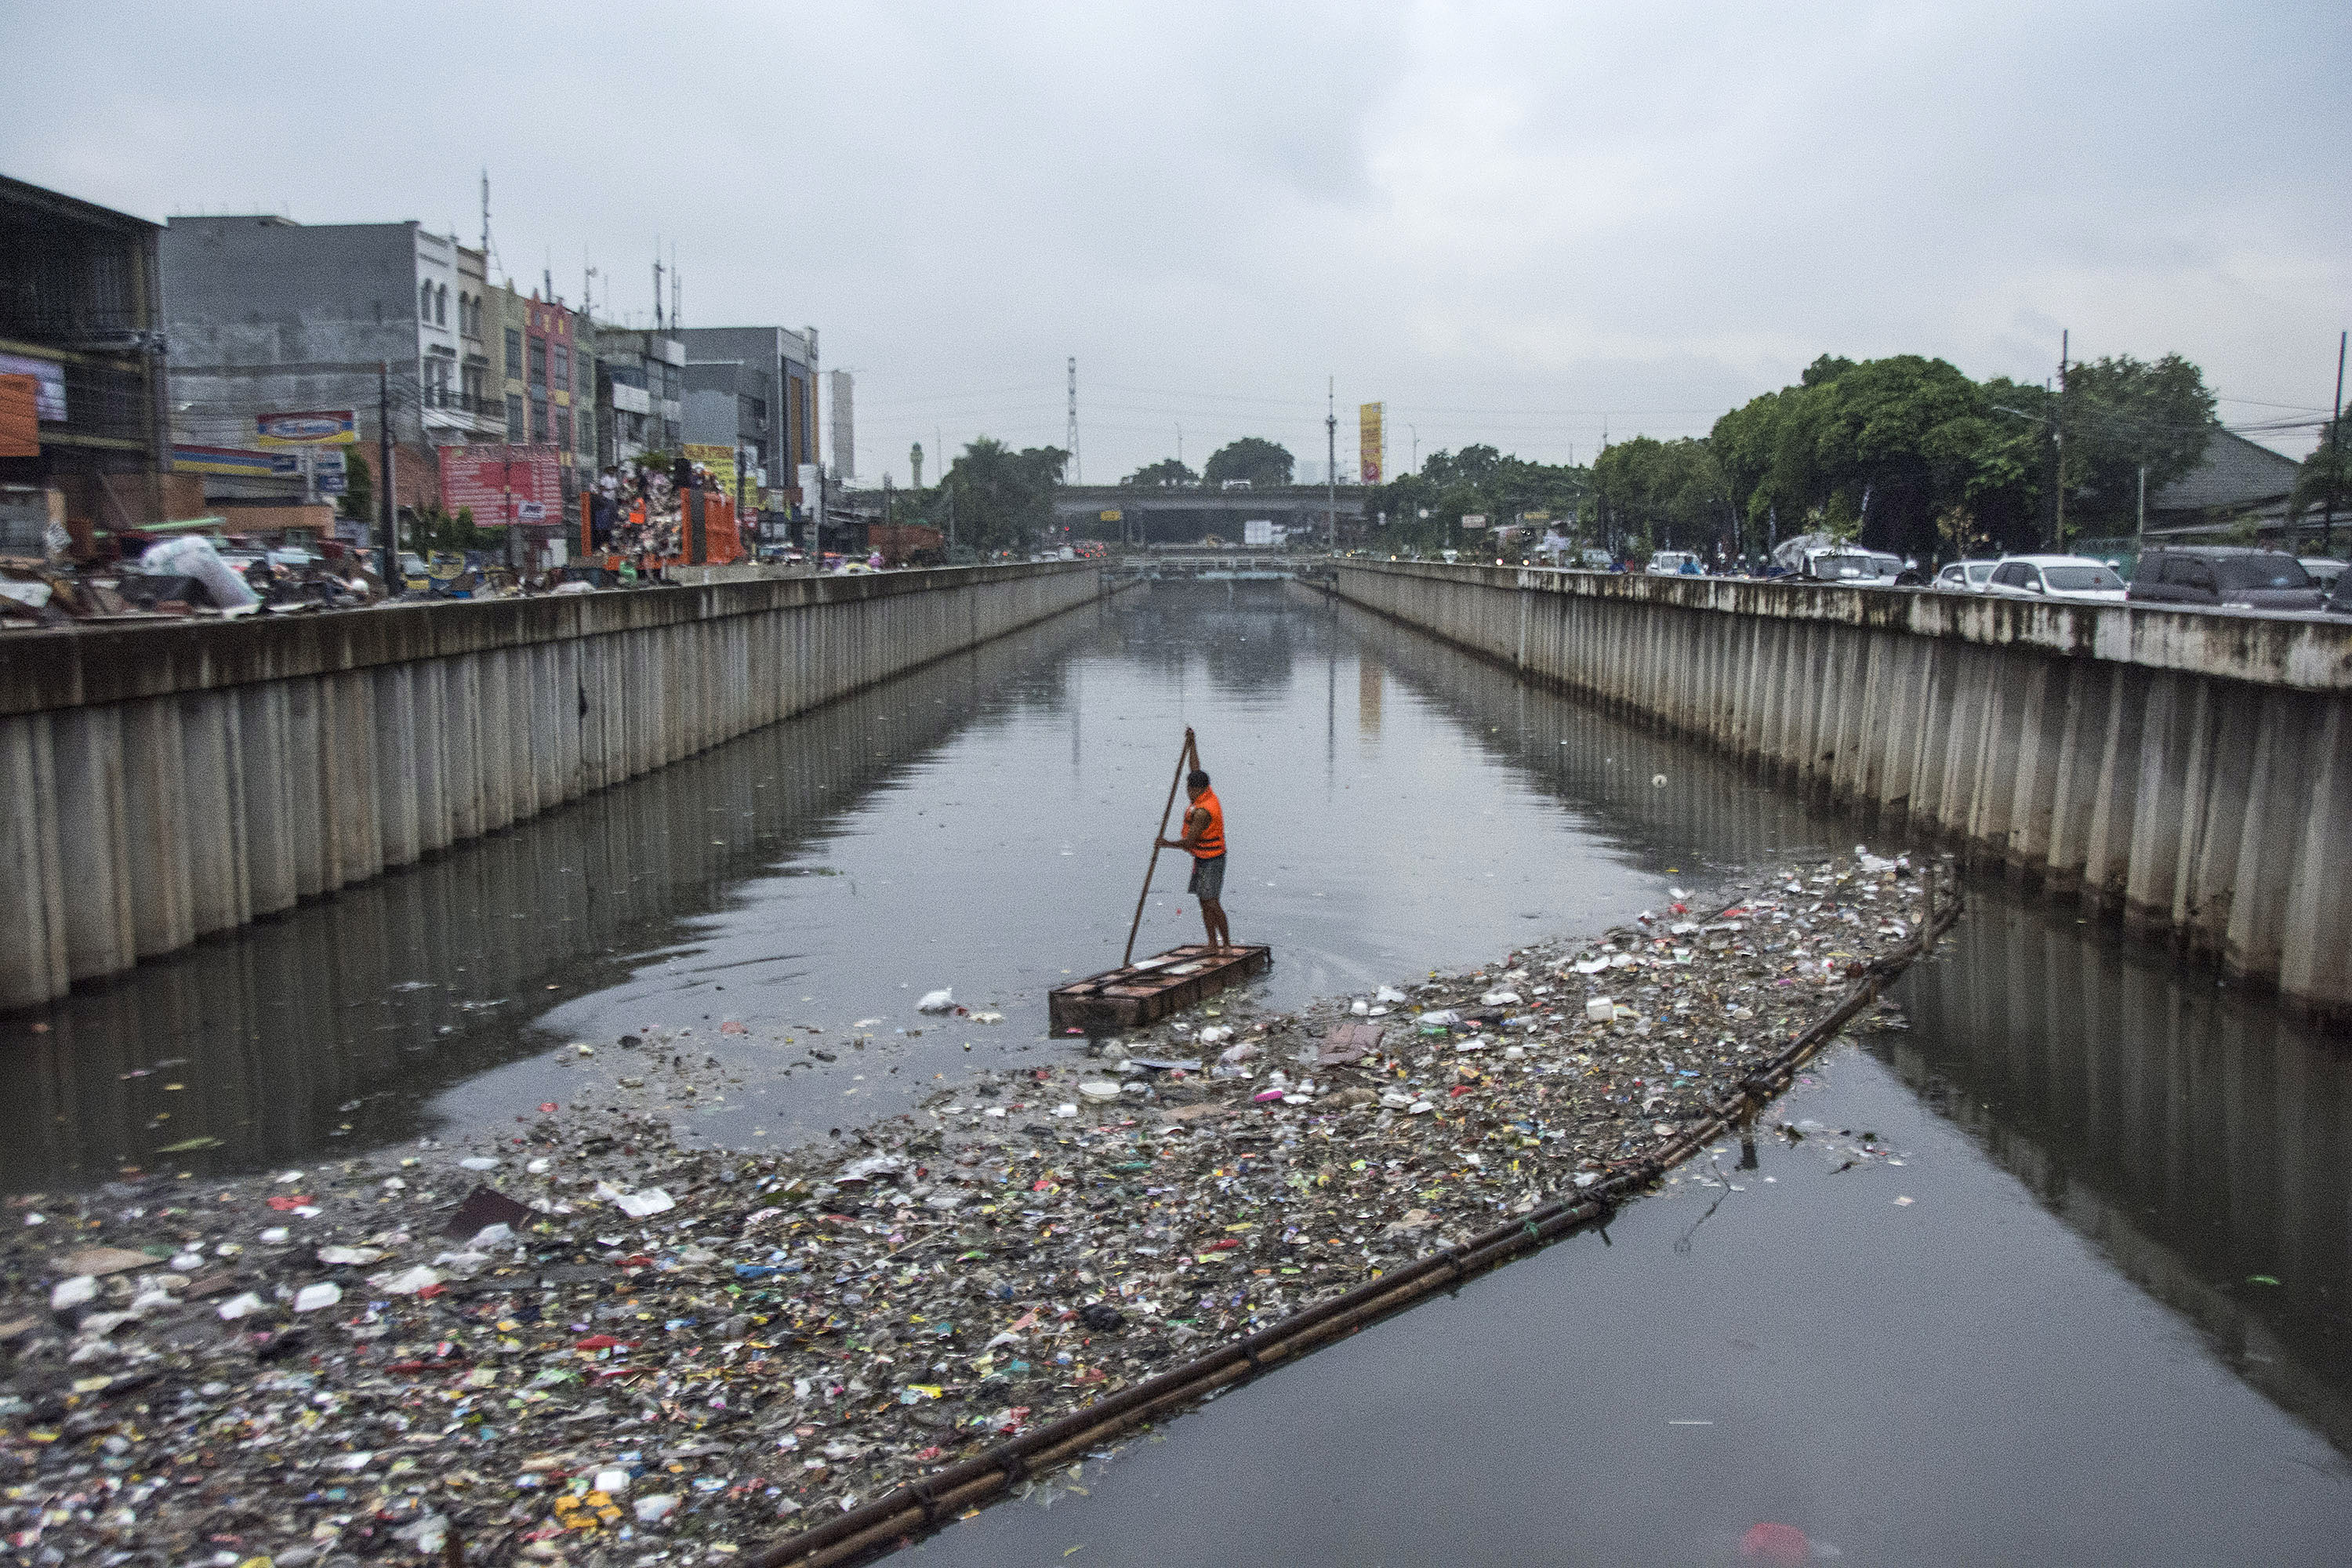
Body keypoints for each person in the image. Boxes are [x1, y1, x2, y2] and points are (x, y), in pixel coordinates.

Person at [1157, 768, 1231, 951]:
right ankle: (1213, 943)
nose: (1188, 793)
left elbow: (1189, 842)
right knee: (1203, 901)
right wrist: (1191, 741)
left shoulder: (1202, 812)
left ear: (1196, 790)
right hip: (1201, 858)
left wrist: (1165, 844)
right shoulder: (1207, 794)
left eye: (1189, 790)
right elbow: (1195, 764)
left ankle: (1227, 944)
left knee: (1212, 901)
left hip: (1212, 860)